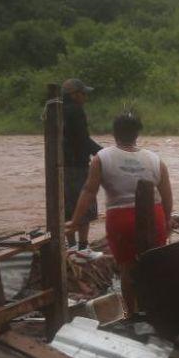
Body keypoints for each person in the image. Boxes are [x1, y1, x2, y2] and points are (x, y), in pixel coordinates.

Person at [67, 111, 172, 316]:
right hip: (154, 217)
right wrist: (167, 220)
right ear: (137, 134)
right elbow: (167, 196)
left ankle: (132, 313)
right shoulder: (155, 160)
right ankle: (156, 311)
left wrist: (75, 221)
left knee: (127, 268)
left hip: (121, 220)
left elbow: (88, 191)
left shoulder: (102, 158)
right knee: (154, 265)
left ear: (114, 133)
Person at [60, 78, 102, 251]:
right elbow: (82, 140)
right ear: (75, 95)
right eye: (83, 94)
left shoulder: (57, 110)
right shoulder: (76, 111)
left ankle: (71, 246)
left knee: (67, 208)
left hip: (62, 165)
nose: (85, 97)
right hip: (78, 165)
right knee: (84, 204)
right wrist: (103, 153)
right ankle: (83, 247)